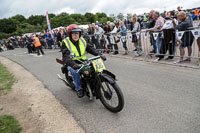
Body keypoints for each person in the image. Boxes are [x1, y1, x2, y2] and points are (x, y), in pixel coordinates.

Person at [61, 24, 106, 98]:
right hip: (71, 62)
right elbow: (66, 56)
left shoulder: (82, 40)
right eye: (74, 33)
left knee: (93, 68)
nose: (76, 35)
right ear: (70, 34)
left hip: (82, 60)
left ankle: (93, 84)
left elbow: (90, 48)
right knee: (75, 71)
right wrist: (73, 65)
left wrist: (99, 54)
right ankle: (79, 89)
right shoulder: (65, 42)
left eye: (77, 33)